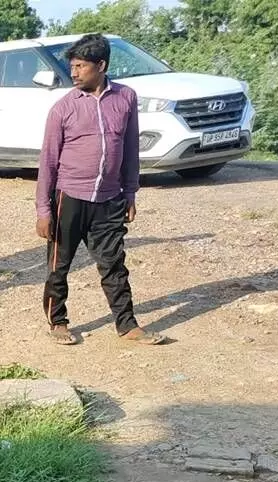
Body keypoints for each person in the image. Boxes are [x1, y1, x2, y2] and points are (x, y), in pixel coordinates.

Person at [36, 33, 166, 346]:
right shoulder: (63, 108)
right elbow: (48, 161)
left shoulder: (126, 98)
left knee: (113, 265)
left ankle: (127, 325)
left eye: (81, 66)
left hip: (110, 200)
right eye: (72, 66)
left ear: (101, 65)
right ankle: (58, 321)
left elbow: (131, 148)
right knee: (59, 265)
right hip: (69, 197)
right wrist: (43, 210)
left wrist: (130, 193)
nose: (74, 72)